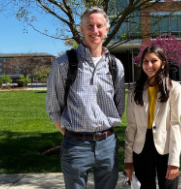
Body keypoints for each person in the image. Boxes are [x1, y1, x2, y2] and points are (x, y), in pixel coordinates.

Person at [46, 6, 125, 189]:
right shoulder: (63, 64)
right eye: (90, 25)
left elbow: (119, 106)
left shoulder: (116, 66)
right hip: (75, 145)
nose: (95, 30)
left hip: (108, 145)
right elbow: (53, 109)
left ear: (106, 30)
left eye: (99, 25)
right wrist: (72, 136)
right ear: (81, 29)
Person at [124, 45, 181, 189]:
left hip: (165, 147)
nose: (149, 65)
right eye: (145, 61)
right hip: (141, 148)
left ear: (163, 64)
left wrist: (174, 161)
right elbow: (131, 127)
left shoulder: (173, 88)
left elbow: (175, 124)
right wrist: (128, 160)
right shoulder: (134, 91)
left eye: (153, 61)